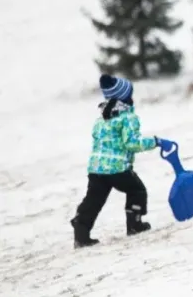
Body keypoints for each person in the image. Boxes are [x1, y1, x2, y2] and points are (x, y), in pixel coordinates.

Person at [71, 75, 170, 248]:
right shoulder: (128, 118)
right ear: (126, 97)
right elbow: (131, 143)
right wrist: (156, 142)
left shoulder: (101, 120)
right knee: (136, 190)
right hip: (117, 169)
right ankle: (135, 224)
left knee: (94, 200)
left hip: (96, 169)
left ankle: (81, 230)